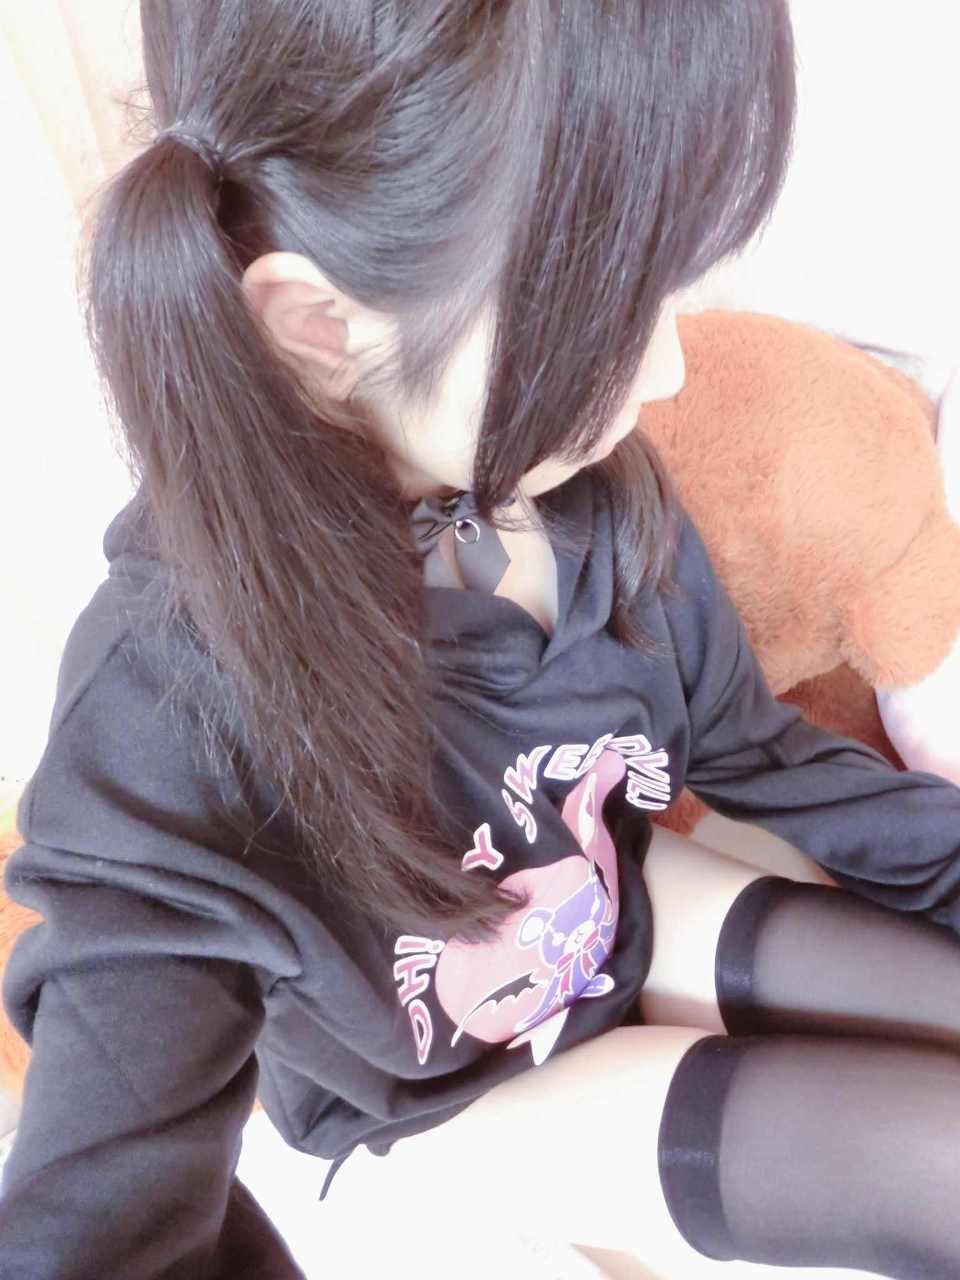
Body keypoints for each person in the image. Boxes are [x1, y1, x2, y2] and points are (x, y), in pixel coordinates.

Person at [1, 2, 959, 1277]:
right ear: (322, 326)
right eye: (609, 314)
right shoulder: (165, 715)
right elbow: (94, 1210)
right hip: (439, 1085)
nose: (668, 372)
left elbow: (756, 750)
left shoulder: (592, 497)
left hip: (601, 914)